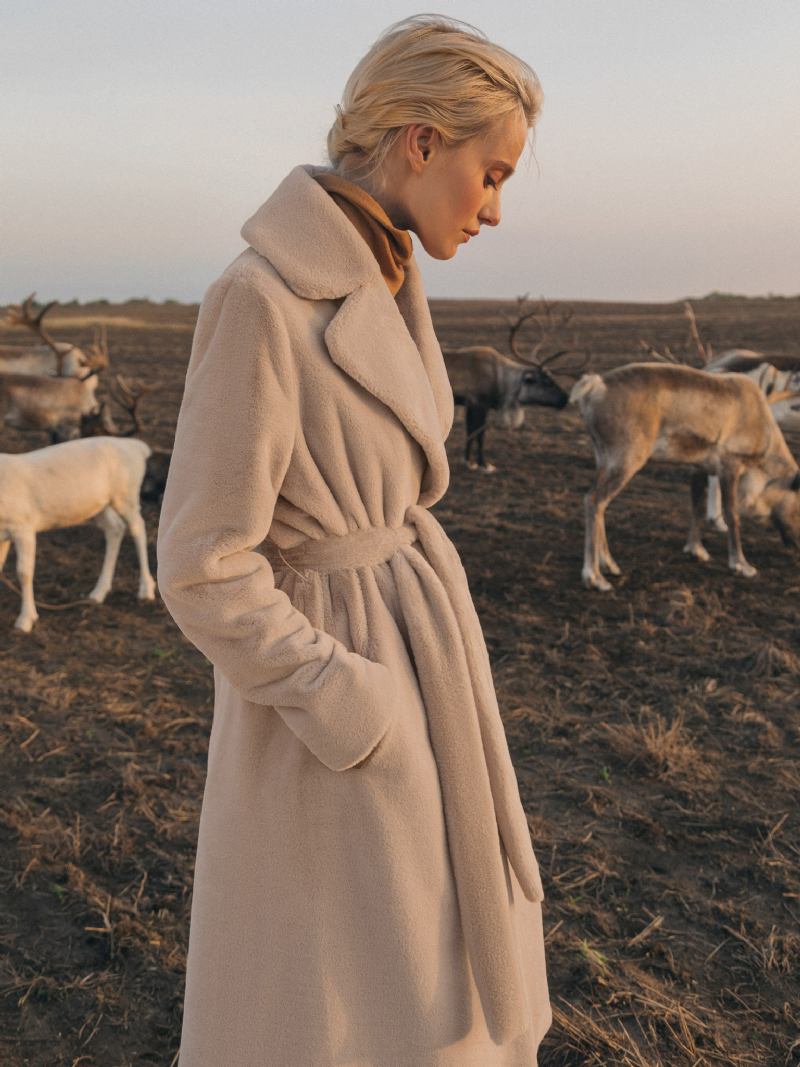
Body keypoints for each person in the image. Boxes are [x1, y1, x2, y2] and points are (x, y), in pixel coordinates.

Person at [156, 13, 551, 1066]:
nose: (497, 208)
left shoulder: (385, 272)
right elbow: (200, 560)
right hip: (336, 701)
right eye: (492, 171)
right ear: (420, 141)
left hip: (418, 645)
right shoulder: (258, 297)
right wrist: (345, 693)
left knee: (430, 988)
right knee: (336, 1009)